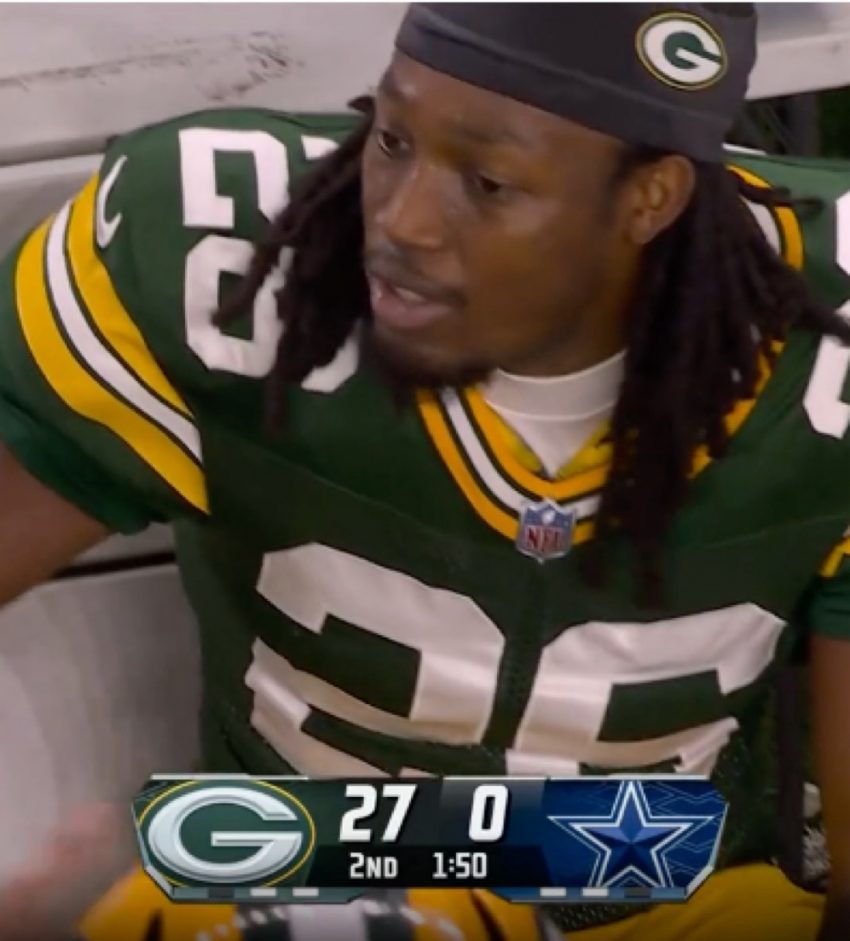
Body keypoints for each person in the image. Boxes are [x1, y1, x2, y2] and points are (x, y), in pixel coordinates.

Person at [0, 2, 848, 939]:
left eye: (488, 182)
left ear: (651, 198)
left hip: (671, 892)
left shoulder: (824, 349)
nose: (400, 223)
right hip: (299, 879)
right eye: (391, 138)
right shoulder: (216, 250)